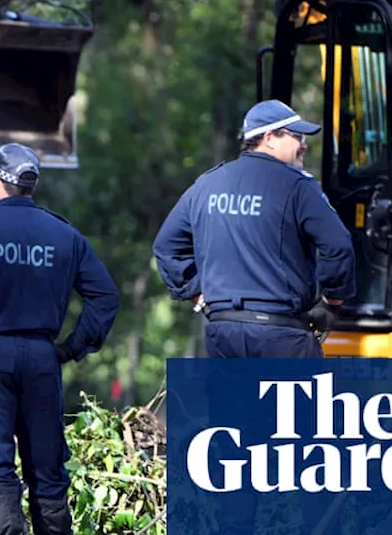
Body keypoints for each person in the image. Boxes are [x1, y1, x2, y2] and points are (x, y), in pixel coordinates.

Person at [150, 98, 356, 535]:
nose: (303, 145)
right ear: (268, 137)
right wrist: (332, 304)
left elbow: (167, 246)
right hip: (283, 339)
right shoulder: (296, 187)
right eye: (295, 135)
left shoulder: (207, 186)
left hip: (224, 336)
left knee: (236, 447)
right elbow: (338, 248)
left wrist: (197, 296)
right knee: (316, 453)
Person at [0, 142, 121, 535]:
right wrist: (71, 347)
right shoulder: (64, 234)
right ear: (30, 187)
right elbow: (105, 296)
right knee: (47, 469)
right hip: (42, 360)